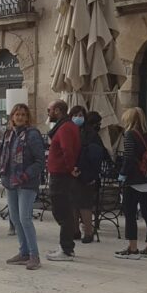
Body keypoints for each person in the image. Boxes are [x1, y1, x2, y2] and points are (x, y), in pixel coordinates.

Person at [0, 103, 46, 270]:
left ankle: (34, 255)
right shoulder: (9, 134)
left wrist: (25, 175)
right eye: (17, 114)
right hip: (11, 182)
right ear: (12, 117)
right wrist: (0, 170)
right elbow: (1, 154)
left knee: (25, 218)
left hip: (27, 183)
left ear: (28, 118)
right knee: (15, 218)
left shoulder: (33, 134)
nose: (20, 117)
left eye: (23, 115)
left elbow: (40, 161)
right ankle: (23, 252)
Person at [116, 107, 147, 260]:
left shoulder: (129, 134)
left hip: (134, 180)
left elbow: (128, 157)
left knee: (130, 213)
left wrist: (122, 174)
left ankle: (132, 248)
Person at [45, 99, 81, 261]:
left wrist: (70, 168)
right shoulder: (66, 125)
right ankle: (65, 246)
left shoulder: (65, 127)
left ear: (58, 110)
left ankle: (67, 249)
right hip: (60, 173)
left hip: (61, 174)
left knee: (62, 211)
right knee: (62, 210)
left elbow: (68, 150)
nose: (48, 113)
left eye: (49, 110)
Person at [70, 107, 106, 244]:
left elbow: (95, 155)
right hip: (72, 172)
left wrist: (89, 173)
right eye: (75, 115)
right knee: (72, 203)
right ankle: (75, 230)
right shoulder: (70, 130)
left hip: (86, 173)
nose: (78, 117)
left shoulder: (90, 134)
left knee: (84, 204)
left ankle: (88, 232)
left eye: (80, 115)